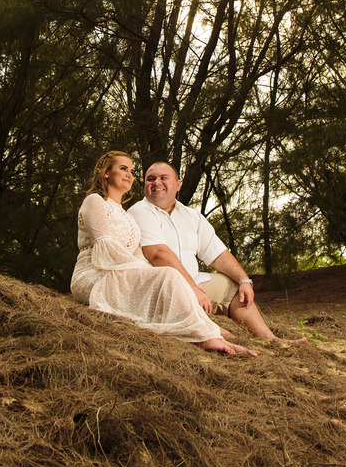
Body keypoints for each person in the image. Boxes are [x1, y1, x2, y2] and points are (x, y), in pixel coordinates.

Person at [70, 151, 256, 356]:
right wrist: (146, 274)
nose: (129, 174)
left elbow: (138, 256)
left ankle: (212, 331)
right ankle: (205, 336)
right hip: (96, 274)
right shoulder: (95, 201)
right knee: (168, 274)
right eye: (123, 169)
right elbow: (105, 248)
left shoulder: (126, 215)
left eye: (131, 171)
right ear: (106, 173)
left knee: (169, 276)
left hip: (120, 273)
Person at [129, 161, 301, 343]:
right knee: (227, 337)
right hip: (162, 288)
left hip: (192, 283)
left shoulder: (192, 216)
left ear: (178, 185)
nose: (156, 183)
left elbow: (218, 254)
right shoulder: (140, 211)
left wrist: (244, 280)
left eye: (164, 178)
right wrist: (193, 289)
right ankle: (223, 337)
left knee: (233, 287)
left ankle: (271, 341)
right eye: (151, 179)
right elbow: (158, 254)